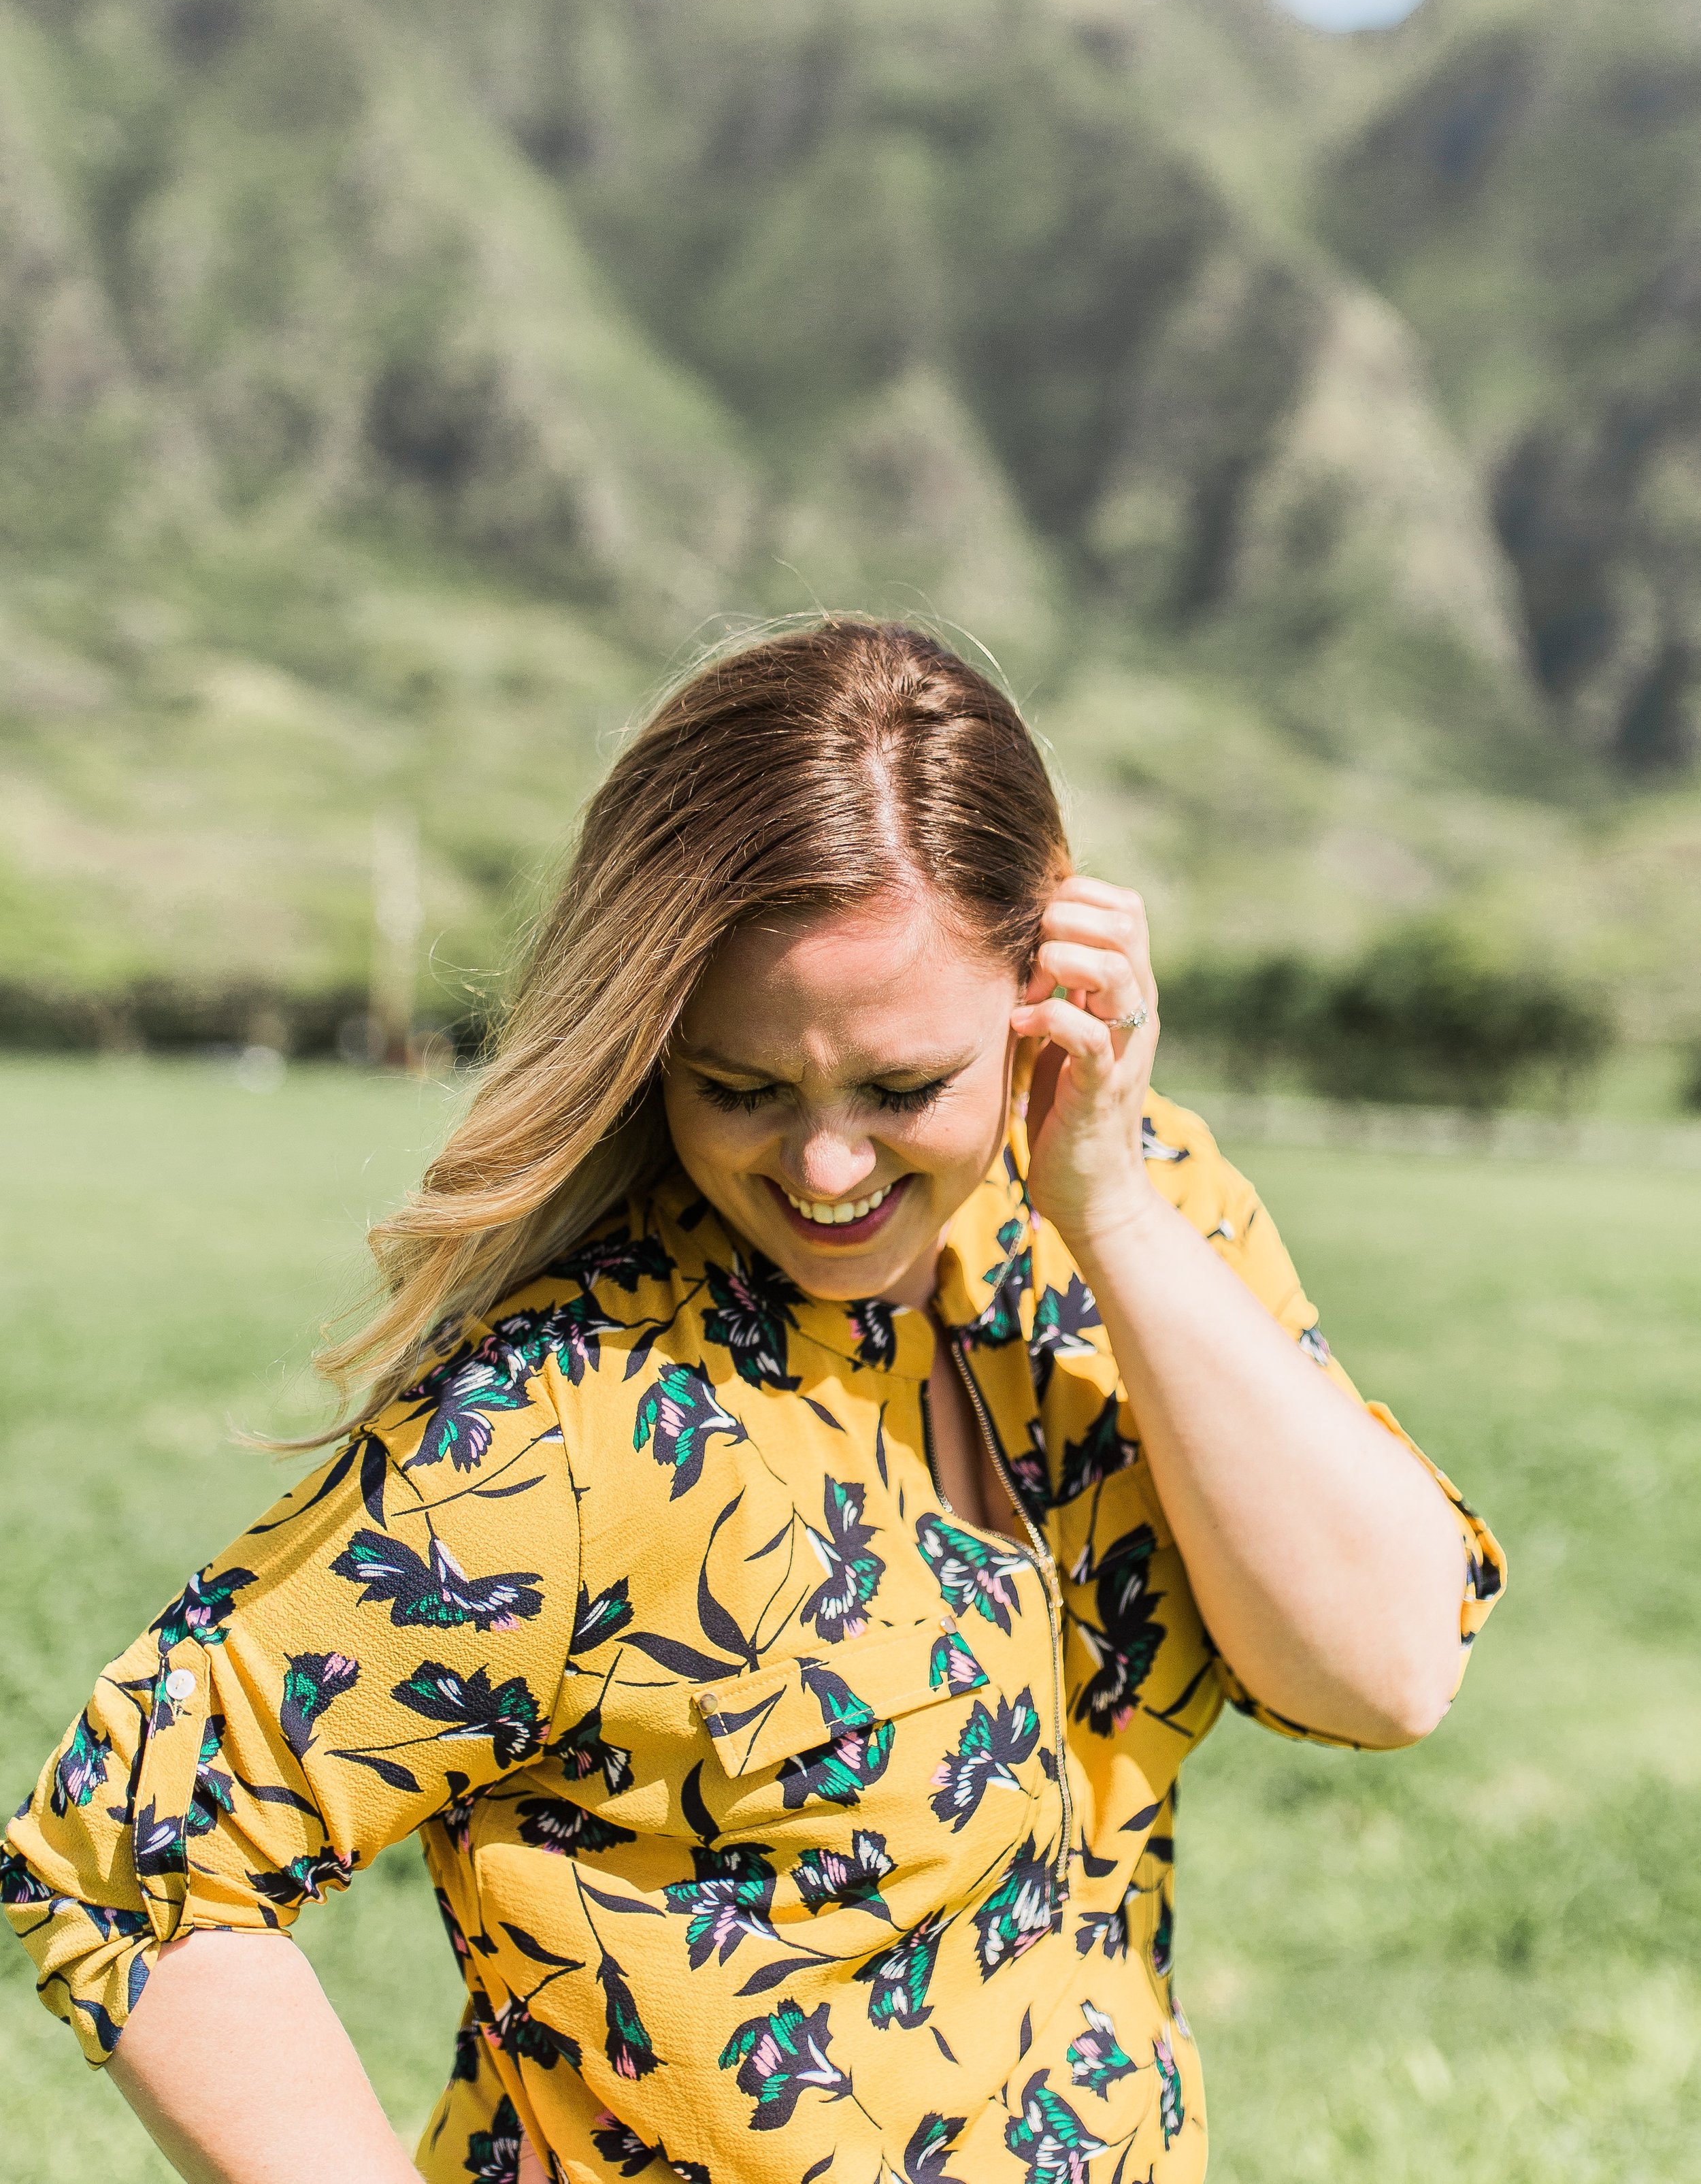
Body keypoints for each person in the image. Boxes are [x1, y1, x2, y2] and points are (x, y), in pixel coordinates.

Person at [3, 620, 1504, 2184]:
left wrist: (1109, 1208)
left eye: (900, 1087)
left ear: (1042, 979)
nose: (827, 1169)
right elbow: (131, 1866)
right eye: (743, 1089)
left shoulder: (1134, 1208)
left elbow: (1383, 1673)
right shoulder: (572, 1419)